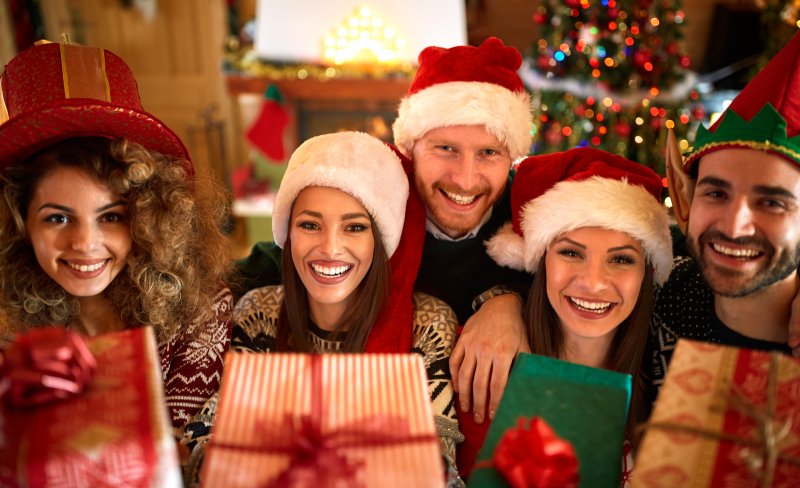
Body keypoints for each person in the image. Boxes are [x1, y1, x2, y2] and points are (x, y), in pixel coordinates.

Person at [233, 39, 534, 474]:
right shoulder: (377, 197)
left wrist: (511, 301)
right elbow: (281, 254)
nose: (466, 179)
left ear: (511, 159)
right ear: (410, 150)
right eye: (445, 148)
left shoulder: (524, 221)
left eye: (488, 152)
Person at [0, 41, 234, 476]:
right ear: (18, 225)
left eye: (110, 216)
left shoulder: (200, 308)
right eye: (57, 218)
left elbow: (204, 456)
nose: (85, 243)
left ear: (149, 219)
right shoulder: (7, 329)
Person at [230, 131, 463, 485]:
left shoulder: (428, 325)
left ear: (379, 241)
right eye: (310, 225)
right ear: (288, 233)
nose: (331, 247)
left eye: (354, 227)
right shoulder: (258, 314)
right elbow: (219, 438)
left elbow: (439, 466)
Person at [486, 147, 672, 482]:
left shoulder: (670, 388)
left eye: (621, 259)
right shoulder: (484, 369)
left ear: (647, 272)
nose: (593, 282)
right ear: (543, 263)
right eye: (571, 253)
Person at [654, 31, 800, 391]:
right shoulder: (662, 290)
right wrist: (502, 302)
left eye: (771, 202)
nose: (734, 226)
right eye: (716, 193)